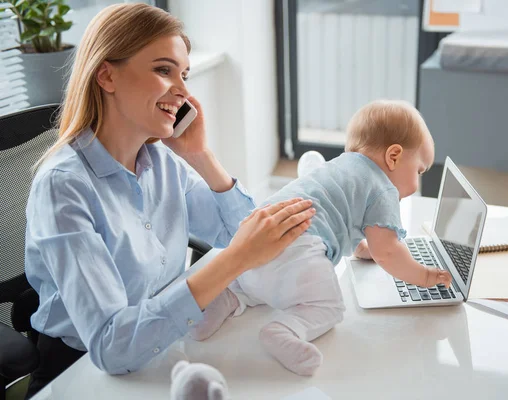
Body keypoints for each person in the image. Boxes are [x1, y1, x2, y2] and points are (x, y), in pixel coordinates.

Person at [23, 3, 314, 398]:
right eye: (164, 70)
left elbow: (249, 237)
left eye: (184, 74)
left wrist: (199, 155)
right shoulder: (63, 186)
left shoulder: (160, 161)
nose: (182, 90)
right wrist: (236, 259)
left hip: (161, 348)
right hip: (81, 372)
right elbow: (112, 345)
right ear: (106, 74)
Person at [190, 100, 452, 376]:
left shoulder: (341, 167)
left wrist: (363, 248)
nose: (417, 182)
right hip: (297, 249)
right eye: (419, 171)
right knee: (329, 306)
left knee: (250, 284)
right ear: (394, 156)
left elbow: (348, 224)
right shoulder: (382, 187)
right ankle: (286, 329)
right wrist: (424, 277)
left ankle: (226, 300)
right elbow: (388, 251)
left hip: (252, 242)